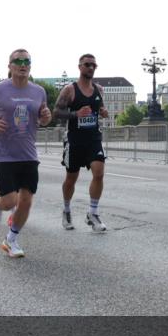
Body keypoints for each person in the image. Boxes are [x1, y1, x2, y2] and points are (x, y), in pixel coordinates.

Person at [0, 49, 53, 258]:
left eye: (27, 61)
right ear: (9, 66)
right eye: (17, 61)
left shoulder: (38, 91)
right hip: (4, 154)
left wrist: (46, 116)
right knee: (10, 202)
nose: (23, 64)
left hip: (28, 153)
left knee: (26, 200)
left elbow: (43, 118)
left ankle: (11, 239)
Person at [55, 54, 110, 232]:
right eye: (87, 64)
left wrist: (103, 112)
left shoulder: (99, 89)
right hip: (75, 140)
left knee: (99, 173)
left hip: (93, 138)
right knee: (71, 178)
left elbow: (100, 108)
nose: (91, 68)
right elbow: (56, 112)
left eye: (94, 65)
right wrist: (75, 114)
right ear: (79, 67)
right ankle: (66, 210)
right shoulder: (69, 90)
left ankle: (92, 213)